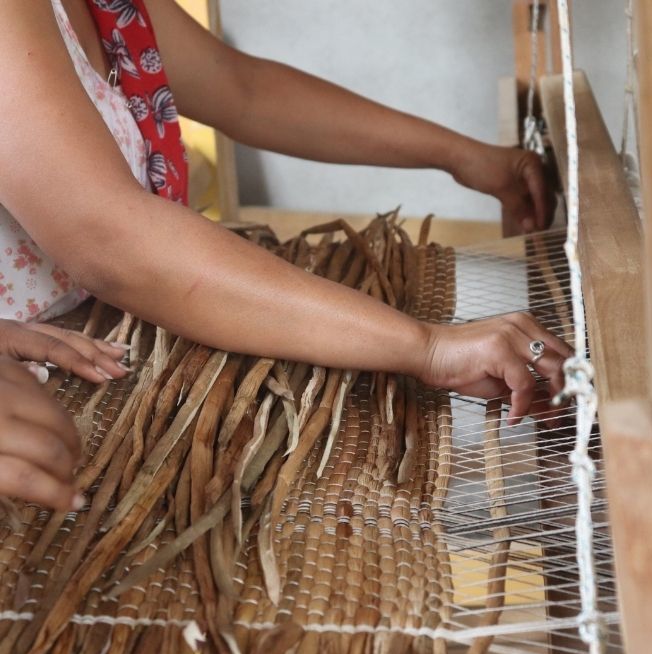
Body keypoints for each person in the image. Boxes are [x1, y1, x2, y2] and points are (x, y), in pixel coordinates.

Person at [0, 0, 570, 510]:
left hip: (92, 342)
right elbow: (113, 240)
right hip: (28, 418)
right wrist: (428, 346)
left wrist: (461, 155)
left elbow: (239, 87)